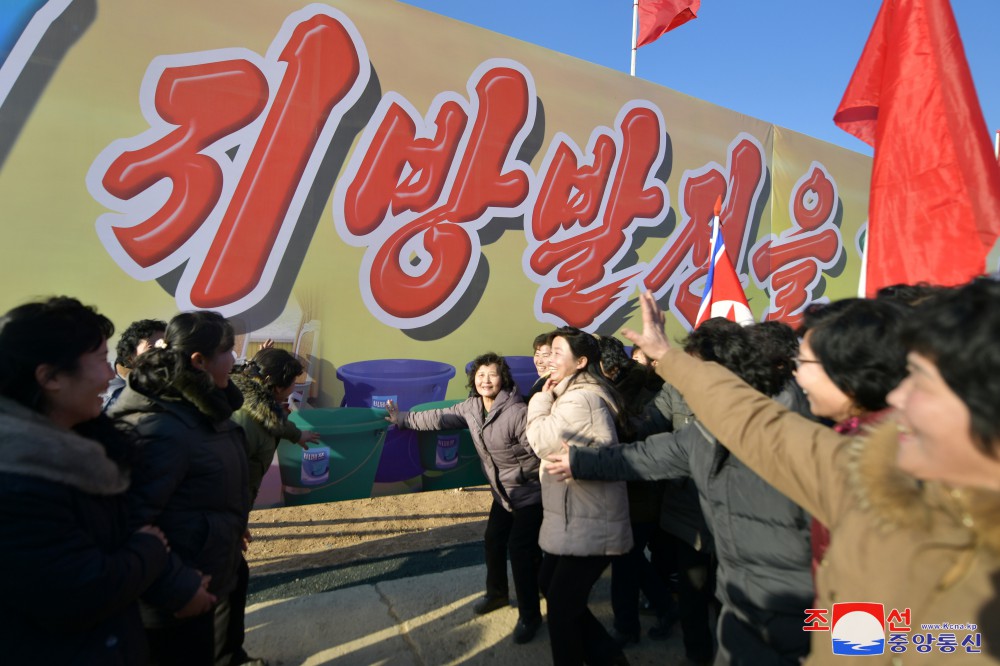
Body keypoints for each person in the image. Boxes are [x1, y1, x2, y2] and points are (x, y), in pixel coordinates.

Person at [620, 284, 1000, 664]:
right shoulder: (865, 468)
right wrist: (667, 357)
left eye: (920, 380)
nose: (899, 397)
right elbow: (753, 423)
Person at [549, 318, 816, 665]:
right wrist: (591, 445)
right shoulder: (694, 427)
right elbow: (647, 448)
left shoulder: (792, 421)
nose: (688, 375)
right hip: (693, 522)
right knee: (695, 600)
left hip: (781, 578)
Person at [0, 297, 172, 664]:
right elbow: (77, 590)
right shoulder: (16, 481)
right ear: (50, 377)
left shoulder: (90, 443)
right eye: (99, 360)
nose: (110, 374)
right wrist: (148, 550)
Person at [110, 311, 251, 666]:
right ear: (198, 361)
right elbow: (126, 522)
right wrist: (178, 588)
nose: (234, 360)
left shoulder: (201, 408)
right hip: (171, 603)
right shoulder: (161, 428)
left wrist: (231, 525)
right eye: (227, 351)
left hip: (201, 578)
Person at [386, 353, 544, 643]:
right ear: (474, 379)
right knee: (493, 541)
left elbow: (539, 451)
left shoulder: (517, 412)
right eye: (480, 375)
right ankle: (497, 595)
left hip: (529, 493)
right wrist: (403, 419)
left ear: (503, 379)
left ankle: (530, 616)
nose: (486, 380)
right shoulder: (471, 407)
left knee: (522, 552)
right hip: (502, 494)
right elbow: (438, 418)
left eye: (492, 375)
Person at [526, 326, 633, 666]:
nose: (548, 359)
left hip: (590, 521)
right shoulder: (573, 392)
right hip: (576, 516)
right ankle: (610, 658)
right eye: (546, 352)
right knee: (552, 587)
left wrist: (540, 398)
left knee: (561, 610)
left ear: (581, 361)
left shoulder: (579, 398)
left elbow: (542, 440)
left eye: (557, 353)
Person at [794, 299, 909, 574]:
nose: (797, 375)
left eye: (804, 362)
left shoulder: (894, 460)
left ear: (849, 370)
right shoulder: (851, 437)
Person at [595, 335, 674, 647]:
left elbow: (633, 434)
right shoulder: (627, 385)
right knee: (628, 558)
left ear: (606, 367)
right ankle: (665, 607)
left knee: (625, 560)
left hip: (640, 486)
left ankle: (627, 627)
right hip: (631, 486)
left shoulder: (640, 393)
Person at [231, 348, 321, 505]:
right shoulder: (257, 422)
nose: (294, 386)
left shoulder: (238, 394)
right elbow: (275, 421)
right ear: (278, 387)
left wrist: (297, 435)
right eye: (293, 382)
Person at [102, 318, 167, 410]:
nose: (161, 353)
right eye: (151, 347)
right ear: (129, 356)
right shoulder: (99, 381)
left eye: (165, 346)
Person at [528, 331, 554, 399]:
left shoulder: (548, 384)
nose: (539, 361)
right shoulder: (543, 380)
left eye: (545, 356)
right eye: (537, 355)